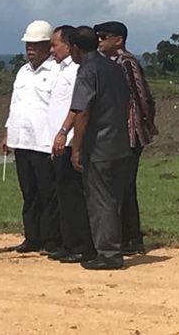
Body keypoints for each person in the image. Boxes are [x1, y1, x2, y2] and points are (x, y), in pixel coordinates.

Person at [67, 26, 133, 270]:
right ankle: (114, 245)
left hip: (98, 145)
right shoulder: (114, 66)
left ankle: (108, 254)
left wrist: (76, 147)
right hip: (119, 141)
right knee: (113, 199)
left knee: (100, 200)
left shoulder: (87, 70)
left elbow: (82, 111)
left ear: (75, 48)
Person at [94, 21, 158, 255]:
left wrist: (145, 123)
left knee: (124, 186)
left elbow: (141, 94)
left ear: (118, 40)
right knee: (115, 186)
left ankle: (132, 237)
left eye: (103, 37)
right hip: (114, 133)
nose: (99, 41)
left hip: (129, 132)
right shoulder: (107, 63)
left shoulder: (125, 62)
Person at [1, 20, 61, 254]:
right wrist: (8, 133)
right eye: (28, 45)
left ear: (48, 46)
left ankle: (52, 239)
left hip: (44, 142)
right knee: (29, 193)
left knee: (48, 193)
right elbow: (15, 105)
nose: (30, 49)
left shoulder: (56, 71)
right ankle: (32, 237)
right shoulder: (23, 72)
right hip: (21, 141)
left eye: (35, 45)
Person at [47, 25, 95, 263]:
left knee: (74, 195)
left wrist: (66, 133)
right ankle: (68, 242)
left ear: (68, 45)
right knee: (63, 195)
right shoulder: (58, 70)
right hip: (57, 142)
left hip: (69, 140)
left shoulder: (76, 70)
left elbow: (78, 107)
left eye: (55, 45)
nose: (51, 49)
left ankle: (81, 245)